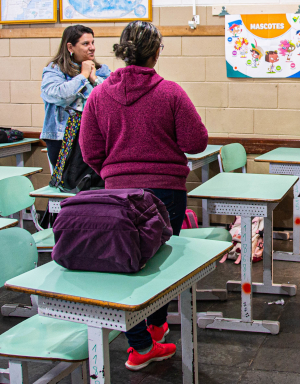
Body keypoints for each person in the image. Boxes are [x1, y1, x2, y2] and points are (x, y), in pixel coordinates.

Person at [79, 21, 208, 370]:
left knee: (126, 266)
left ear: (122, 52)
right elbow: (196, 142)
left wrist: (114, 170)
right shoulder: (170, 92)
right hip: (166, 192)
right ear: (154, 52)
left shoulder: (99, 95)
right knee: (161, 266)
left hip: (117, 193)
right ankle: (155, 327)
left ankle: (139, 345)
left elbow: (89, 150)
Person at [40, 25, 110, 172]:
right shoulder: (55, 70)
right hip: (63, 139)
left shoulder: (101, 70)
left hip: (93, 138)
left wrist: (95, 79)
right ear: (70, 47)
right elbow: (58, 95)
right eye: (85, 44)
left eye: (92, 42)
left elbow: (111, 97)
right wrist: (83, 76)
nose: (92, 48)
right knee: (69, 185)